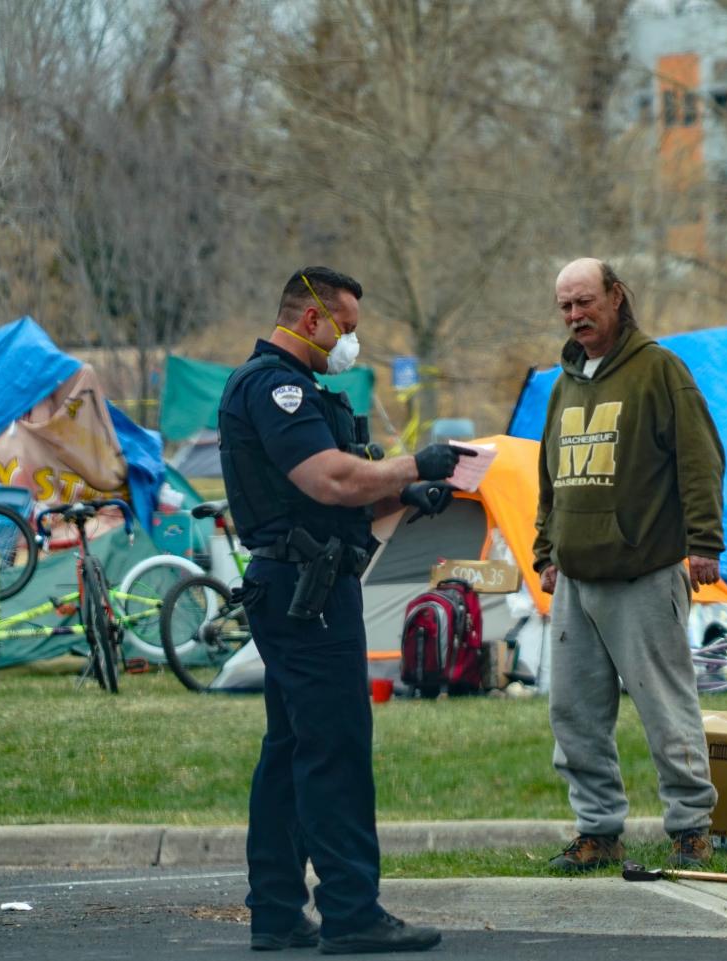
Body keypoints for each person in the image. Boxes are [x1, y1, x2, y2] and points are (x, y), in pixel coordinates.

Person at [218, 266, 469, 954]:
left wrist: (400, 498)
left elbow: (331, 488)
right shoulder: (278, 386)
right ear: (311, 320)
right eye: (347, 329)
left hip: (303, 586)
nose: (349, 343)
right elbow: (326, 477)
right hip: (310, 595)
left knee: (291, 749)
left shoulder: (295, 391)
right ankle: (352, 910)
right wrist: (415, 465)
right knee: (335, 750)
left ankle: (274, 908)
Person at [533, 257, 725, 873]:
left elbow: (701, 460)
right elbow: (549, 475)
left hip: (645, 571)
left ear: (617, 296)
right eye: (565, 306)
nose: (575, 315)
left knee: (666, 707)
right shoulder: (565, 382)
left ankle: (692, 828)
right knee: (573, 713)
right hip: (576, 579)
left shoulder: (660, 370)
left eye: (585, 301)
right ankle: (598, 831)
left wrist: (704, 543)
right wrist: (546, 551)